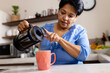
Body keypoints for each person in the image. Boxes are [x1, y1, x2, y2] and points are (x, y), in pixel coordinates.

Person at [18, 0, 91, 65]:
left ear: (75, 18)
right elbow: (21, 45)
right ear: (58, 11)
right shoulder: (45, 29)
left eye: (70, 16)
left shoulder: (79, 31)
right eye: (63, 13)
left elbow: (84, 55)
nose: (65, 18)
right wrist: (25, 30)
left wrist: (60, 40)